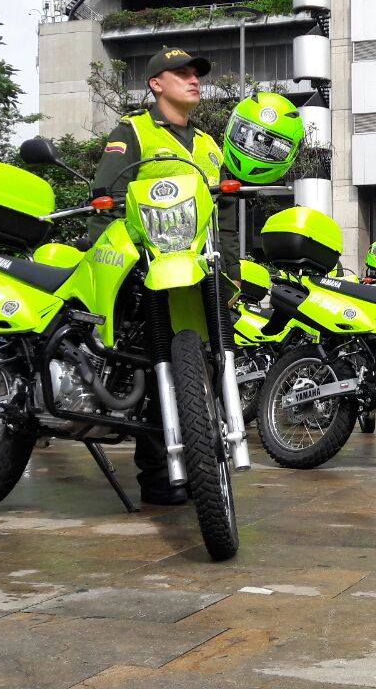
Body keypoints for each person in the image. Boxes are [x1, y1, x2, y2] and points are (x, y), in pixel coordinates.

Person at [90, 47, 306, 504]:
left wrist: (228, 280)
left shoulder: (210, 146)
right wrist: (114, 271)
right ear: (155, 84)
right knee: (152, 369)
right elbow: (102, 205)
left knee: (206, 370)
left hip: (201, 276)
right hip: (145, 277)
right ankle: (157, 475)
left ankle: (202, 466)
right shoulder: (131, 133)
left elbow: (224, 220)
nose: (193, 80)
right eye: (181, 73)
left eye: (196, 74)